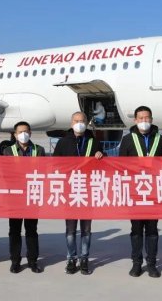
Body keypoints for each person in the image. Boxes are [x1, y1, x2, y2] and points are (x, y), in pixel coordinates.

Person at [118, 106, 162, 278]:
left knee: (152, 231)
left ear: (151, 120)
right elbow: (121, 166)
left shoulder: (160, 139)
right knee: (137, 231)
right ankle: (137, 263)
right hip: (135, 193)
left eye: (147, 118)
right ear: (135, 120)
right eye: (140, 118)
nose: (144, 121)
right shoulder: (127, 139)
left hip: (154, 192)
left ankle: (152, 264)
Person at [53, 111, 104, 275]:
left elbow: (103, 164)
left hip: (87, 191)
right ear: (71, 123)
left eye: (82, 121)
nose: (79, 123)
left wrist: (101, 155)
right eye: (76, 121)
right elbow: (54, 165)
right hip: (70, 191)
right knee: (70, 230)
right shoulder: (63, 142)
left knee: (86, 229)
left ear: (86, 123)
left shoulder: (93, 141)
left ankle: (84, 258)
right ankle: (71, 258)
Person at [3, 121, 46, 274]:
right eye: (20, 132)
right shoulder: (8, 151)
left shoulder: (39, 150)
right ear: (15, 135)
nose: (24, 134)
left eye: (26, 131)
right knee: (14, 230)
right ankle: (15, 261)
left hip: (32, 195)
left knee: (31, 229)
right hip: (15, 196)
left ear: (30, 133)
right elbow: (5, 173)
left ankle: (33, 261)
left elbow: (43, 171)